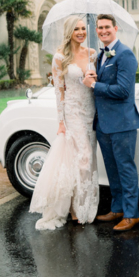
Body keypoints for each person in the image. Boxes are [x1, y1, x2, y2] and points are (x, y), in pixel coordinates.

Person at [29, 15, 99, 230]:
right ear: (69, 32)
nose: (81, 32)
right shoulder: (60, 57)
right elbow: (59, 91)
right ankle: (74, 209)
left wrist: (94, 80)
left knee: (89, 158)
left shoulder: (92, 54)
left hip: (90, 111)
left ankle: (86, 206)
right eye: (76, 29)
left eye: (83, 28)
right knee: (81, 158)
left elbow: (96, 82)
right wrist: (61, 121)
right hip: (72, 112)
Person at [83, 14, 139, 232]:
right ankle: (117, 209)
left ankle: (131, 214)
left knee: (126, 170)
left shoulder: (125, 54)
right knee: (112, 169)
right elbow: (108, 83)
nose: (102, 31)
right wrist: (95, 78)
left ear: (115, 28)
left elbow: (124, 91)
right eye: (99, 27)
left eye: (107, 27)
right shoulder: (103, 55)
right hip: (104, 124)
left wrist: (94, 86)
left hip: (122, 124)